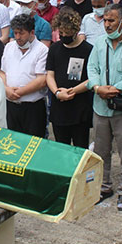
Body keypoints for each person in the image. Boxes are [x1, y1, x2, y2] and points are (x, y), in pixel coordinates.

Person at [87, 4, 122, 211]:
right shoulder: (99, 43)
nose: (107, 24)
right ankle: (104, 187)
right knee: (101, 151)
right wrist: (97, 87)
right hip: (100, 106)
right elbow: (92, 67)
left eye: (111, 20)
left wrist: (114, 89)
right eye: (105, 20)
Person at [46, 9, 93, 148]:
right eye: (61, 33)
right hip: (59, 106)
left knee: (80, 147)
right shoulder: (55, 49)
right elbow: (49, 74)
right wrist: (57, 93)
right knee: (61, 148)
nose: (64, 36)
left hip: (80, 107)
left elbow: (92, 77)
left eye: (67, 33)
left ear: (76, 31)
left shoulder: (88, 50)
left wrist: (73, 91)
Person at [0, 14, 48, 137]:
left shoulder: (42, 50)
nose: (18, 37)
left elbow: (41, 80)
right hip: (10, 105)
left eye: (21, 33)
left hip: (32, 107)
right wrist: (6, 89)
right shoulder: (9, 47)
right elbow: (2, 72)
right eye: (15, 33)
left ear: (32, 32)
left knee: (34, 144)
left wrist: (19, 92)